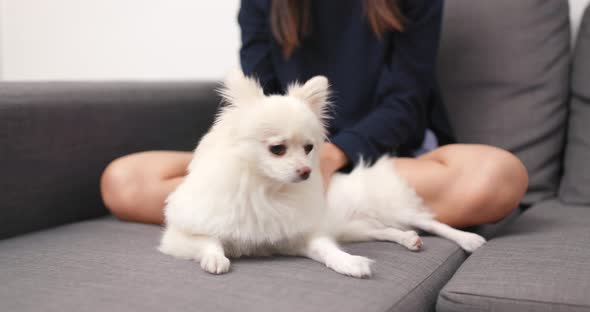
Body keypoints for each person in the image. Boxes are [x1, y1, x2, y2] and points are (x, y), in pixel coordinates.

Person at [100, 0, 528, 229]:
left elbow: (405, 105)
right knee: (123, 181)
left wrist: (328, 157)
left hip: (379, 160)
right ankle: (314, 213)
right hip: (282, 164)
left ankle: (286, 217)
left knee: (497, 177)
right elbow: (258, 101)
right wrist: (287, 160)